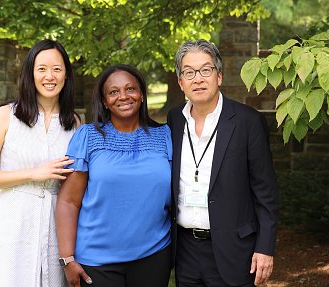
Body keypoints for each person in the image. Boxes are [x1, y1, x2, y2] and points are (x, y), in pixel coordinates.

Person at [167, 39, 278, 287]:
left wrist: (265, 247)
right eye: (189, 72)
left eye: (205, 70)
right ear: (180, 82)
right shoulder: (174, 120)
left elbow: (266, 192)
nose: (198, 78)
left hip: (235, 250)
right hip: (184, 252)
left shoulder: (248, 121)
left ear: (219, 76)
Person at [0, 39, 79, 287]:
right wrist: (33, 173)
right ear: (30, 74)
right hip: (13, 220)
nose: (49, 76)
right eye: (41, 69)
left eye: (57, 69)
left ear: (66, 75)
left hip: (56, 225)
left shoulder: (73, 122)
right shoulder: (5, 116)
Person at [56, 64, 172, 287]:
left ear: (142, 94)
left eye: (130, 89)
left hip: (154, 254)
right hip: (97, 260)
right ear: (103, 101)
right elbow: (69, 201)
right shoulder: (88, 137)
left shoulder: (165, 136)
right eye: (113, 92)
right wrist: (67, 258)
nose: (123, 96)